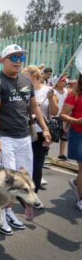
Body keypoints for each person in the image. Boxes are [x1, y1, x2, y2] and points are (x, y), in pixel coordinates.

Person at [0, 44, 51, 236]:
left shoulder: (25, 80)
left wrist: (45, 128)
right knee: (9, 181)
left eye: (21, 57)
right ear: (3, 60)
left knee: (23, 180)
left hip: (24, 138)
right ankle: (0, 215)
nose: (18, 61)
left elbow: (35, 108)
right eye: (13, 57)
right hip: (5, 138)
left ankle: (8, 210)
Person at [24, 65, 58, 207]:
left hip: (40, 132)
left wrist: (50, 99)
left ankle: (34, 194)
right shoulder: (23, 91)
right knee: (24, 165)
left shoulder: (47, 91)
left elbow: (55, 112)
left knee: (37, 165)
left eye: (25, 75)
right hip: (24, 131)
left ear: (34, 76)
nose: (22, 77)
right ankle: (23, 192)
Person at [60, 72, 82, 211]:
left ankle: (76, 182)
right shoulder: (74, 95)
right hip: (78, 135)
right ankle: (81, 200)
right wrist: (76, 121)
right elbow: (62, 115)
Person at [54, 75, 69, 160]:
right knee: (54, 136)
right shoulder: (54, 92)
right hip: (55, 116)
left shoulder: (67, 91)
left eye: (64, 81)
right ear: (57, 82)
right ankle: (45, 151)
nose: (64, 82)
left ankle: (61, 154)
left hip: (65, 116)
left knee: (64, 136)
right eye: (62, 80)